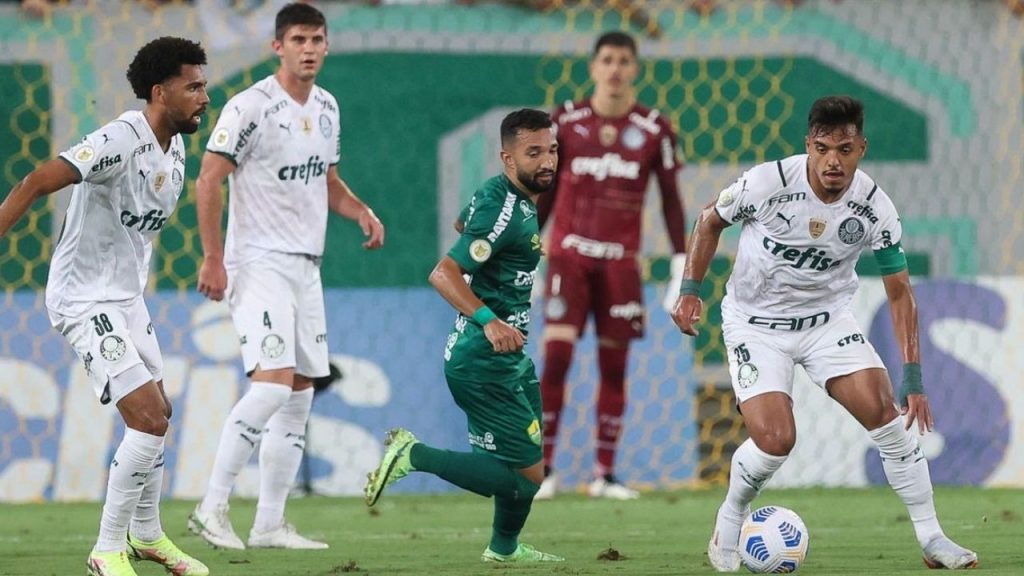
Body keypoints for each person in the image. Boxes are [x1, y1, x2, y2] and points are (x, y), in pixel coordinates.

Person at [670, 95, 978, 571]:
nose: (834, 160)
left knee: (885, 416)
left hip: (826, 322)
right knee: (776, 439)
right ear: (808, 146)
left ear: (861, 148)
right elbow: (709, 221)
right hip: (755, 324)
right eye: (823, 148)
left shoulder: (875, 208)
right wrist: (691, 288)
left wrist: (913, 378)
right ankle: (732, 512)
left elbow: (900, 293)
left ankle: (932, 538)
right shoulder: (767, 182)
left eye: (846, 149)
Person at [0, 37, 210, 576]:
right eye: (194, 86)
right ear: (161, 92)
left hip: (125, 297)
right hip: (83, 298)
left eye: (203, 84)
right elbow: (37, 180)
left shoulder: (177, 147)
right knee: (143, 419)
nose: (204, 96)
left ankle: (147, 536)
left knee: (160, 413)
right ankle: (107, 549)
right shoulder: (121, 139)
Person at [188, 2, 385, 550]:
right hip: (257, 263)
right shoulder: (250, 106)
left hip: (306, 268)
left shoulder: (326, 107)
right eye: (298, 39)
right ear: (278, 46)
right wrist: (212, 258)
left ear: (326, 45)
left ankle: (270, 522)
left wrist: (361, 210)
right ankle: (211, 507)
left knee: (299, 395)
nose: (309, 48)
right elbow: (208, 179)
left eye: (317, 39)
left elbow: (327, 180)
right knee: (273, 385)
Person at [364, 108, 563, 564]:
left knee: (528, 462)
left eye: (551, 149)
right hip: (484, 356)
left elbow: (465, 227)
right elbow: (443, 272)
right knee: (526, 477)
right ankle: (413, 454)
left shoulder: (503, 198)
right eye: (533, 153)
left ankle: (503, 548)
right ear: (507, 158)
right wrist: (490, 319)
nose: (547, 160)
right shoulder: (504, 207)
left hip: (507, 355)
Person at [535, 30, 687, 500]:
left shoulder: (656, 128)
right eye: (607, 59)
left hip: (621, 263)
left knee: (614, 365)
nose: (615, 68)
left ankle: (604, 474)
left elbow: (670, 201)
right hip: (568, 257)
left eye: (624, 60)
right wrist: (529, 249)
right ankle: (544, 470)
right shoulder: (566, 121)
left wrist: (682, 261)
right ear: (593, 67)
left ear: (635, 68)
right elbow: (546, 191)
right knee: (556, 357)